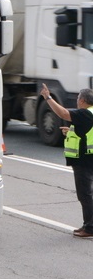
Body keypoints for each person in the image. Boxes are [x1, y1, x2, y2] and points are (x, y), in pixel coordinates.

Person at [40, 84, 93, 237]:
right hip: (90, 156)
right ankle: (89, 225)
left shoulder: (84, 113)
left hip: (84, 159)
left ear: (82, 100)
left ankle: (89, 228)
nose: (77, 101)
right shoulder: (90, 114)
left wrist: (48, 97)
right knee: (88, 193)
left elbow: (62, 113)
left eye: (77, 99)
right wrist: (70, 131)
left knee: (85, 194)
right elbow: (87, 131)